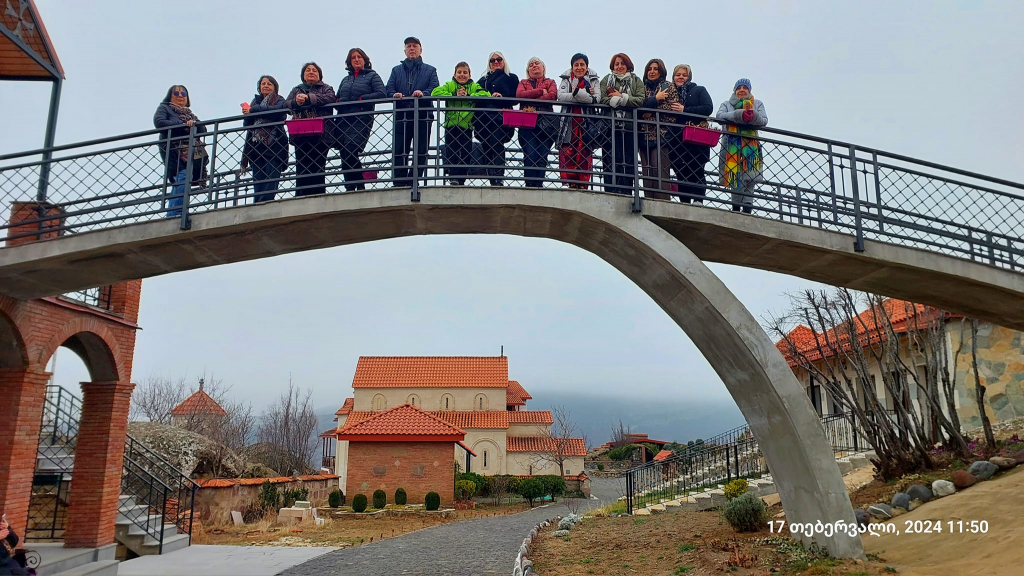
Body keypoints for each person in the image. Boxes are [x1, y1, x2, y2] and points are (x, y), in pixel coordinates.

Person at [385, 37, 440, 187]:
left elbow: (435, 88)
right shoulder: (396, 70)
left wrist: (423, 93)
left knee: (421, 149)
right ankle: (399, 181)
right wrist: (394, 95)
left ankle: (413, 180)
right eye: (408, 46)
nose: (411, 48)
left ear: (420, 50)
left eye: (415, 46)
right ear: (404, 50)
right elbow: (388, 89)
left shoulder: (430, 70)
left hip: (423, 114)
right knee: (399, 148)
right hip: (402, 113)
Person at [334, 48, 385, 191]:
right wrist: (339, 101)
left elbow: (381, 93)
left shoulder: (372, 76)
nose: (356, 59)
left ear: (365, 60)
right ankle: (350, 186)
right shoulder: (346, 79)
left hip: (361, 119)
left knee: (351, 150)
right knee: (344, 152)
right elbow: (337, 97)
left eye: (359, 57)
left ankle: (359, 185)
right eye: (353, 58)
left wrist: (363, 99)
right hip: (343, 119)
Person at [153, 84, 208, 218]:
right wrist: (184, 126)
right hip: (173, 149)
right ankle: (176, 213)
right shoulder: (164, 108)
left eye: (183, 94)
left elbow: (203, 129)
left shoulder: (190, 114)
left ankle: (172, 213)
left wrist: (194, 124)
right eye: (176, 93)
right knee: (182, 176)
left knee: (183, 177)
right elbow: (159, 122)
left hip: (191, 150)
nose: (180, 96)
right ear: (170, 96)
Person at [432, 62, 490, 185]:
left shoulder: (474, 86)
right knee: (451, 151)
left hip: (467, 126)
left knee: (466, 153)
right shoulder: (450, 85)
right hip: (451, 125)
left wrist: (468, 96)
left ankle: (462, 179)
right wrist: (454, 95)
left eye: (465, 72)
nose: (462, 75)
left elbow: (485, 94)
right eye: (459, 72)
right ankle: (453, 177)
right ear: (455, 74)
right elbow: (435, 93)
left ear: (469, 75)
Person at [716, 78, 767, 214]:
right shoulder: (726, 104)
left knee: (750, 178)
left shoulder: (757, 104)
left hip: (751, 146)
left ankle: (748, 207)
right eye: (739, 88)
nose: (742, 90)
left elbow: (763, 121)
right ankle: (736, 207)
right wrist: (740, 115)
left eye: (745, 87)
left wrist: (752, 115)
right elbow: (719, 116)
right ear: (735, 90)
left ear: (749, 90)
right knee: (735, 177)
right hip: (732, 147)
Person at [285, 62, 336, 197]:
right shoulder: (297, 90)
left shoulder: (326, 88)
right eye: (308, 70)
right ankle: (301, 194)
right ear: (303, 75)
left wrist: (309, 98)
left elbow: (330, 98)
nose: (311, 72)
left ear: (319, 75)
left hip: (321, 134)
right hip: (300, 133)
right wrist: (296, 102)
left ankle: (318, 194)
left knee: (318, 164)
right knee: (301, 164)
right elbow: (286, 104)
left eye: (314, 70)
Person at [668, 64, 714, 204]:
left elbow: (708, 108)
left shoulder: (698, 90)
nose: (681, 77)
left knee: (697, 170)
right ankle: (684, 202)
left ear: (689, 77)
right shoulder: (669, 92)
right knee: (680, 173)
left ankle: (698, 200)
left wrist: (685, 109)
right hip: (676, 140)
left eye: (684, 74)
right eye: (678, 74)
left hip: (696, 139)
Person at [600, 53, 645, 194]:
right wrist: (617, 101)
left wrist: (620, 97)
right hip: (609, 127)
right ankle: (610, 192)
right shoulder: (607, 80)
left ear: (628, 65)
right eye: (616, 64)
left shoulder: (636, 80)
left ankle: (626, 192)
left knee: (628, 160)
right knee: (610, 160)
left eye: (622, 63)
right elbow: (601, 99)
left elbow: (639, 100)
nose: (619, 66)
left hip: (630, 127)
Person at [240, 75, 289, 203]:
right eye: (263, 84)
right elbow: (247, 125)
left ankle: (266, 202)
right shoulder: (254, 102)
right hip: (255, 145)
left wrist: (254, 111)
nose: (266, 86)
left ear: (275, 87)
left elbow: (279, 112)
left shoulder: (279, 99)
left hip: (274, 143)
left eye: (269, 84)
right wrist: (248, 114)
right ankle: (258, 202)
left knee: (272, 175)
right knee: (258, 178)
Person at [556, 53, 601, 189]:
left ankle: (583, 184)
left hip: (586, 123)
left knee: (585, 153)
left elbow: (596, 99)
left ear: (587, 67)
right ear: (572, 67)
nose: (579, 67)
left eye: (582, 64)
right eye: (576, 65)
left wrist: (577, 93)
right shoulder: (566, 79)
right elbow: (561, 97)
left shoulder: (593, 79)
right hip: (568, 123)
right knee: (568, 152)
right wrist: (584, 95)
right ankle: (571, 183)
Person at [475, 51, 519, 186]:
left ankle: (499, 177)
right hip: (483, 120)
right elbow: (475, 95)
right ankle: (492, 179)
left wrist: (502, 96)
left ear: (504, 61)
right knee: (486, 146)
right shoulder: (483, 80)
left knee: (497, 144)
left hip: (501, 118)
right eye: (492, 60)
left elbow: (515, 98)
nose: (496, 62)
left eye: (499, 59)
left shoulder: (511, 78)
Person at [638, 59, 678, 200]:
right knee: (647, 171)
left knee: (660, 170)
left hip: (662, 134)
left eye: (655, 69)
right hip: (643, 135)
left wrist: (651, 111)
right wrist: (655, 100)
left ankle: (662, 202)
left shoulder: (668, 86)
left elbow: (672, 109)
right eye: (650, 69)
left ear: (661, 71)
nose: (652, 71)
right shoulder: (641, 87)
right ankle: (648, 201)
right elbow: (639, 107)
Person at [515, 57, 558, 188]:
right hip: (527, 124)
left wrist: (531, 97)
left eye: (537, 63)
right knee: (530, 154)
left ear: (543, 68)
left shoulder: (550, 82)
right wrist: (540, 92)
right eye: (531, 65)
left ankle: (538, 185)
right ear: (528, 70)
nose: (534, 66)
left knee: (542, 156)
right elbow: (519, 95)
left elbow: (552, 96)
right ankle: (530, 185)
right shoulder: (523, 82)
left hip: (547, 123)